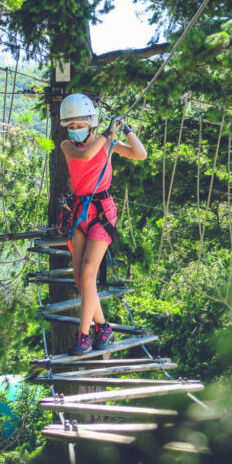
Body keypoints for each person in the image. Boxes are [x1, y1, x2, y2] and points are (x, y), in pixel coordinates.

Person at [59, 93, 147, 355]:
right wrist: (108, 135)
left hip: (102, 213)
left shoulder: (106, 143)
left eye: (79, 125)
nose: (75, 130)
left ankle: (83, 336)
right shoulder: (67, 146)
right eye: (71, 126)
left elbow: (140, 154)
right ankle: (103, 326)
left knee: (88, 274)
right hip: (80, 211)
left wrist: (126, 129)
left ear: (90, 123)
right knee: (79, 278)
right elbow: (85, 156)